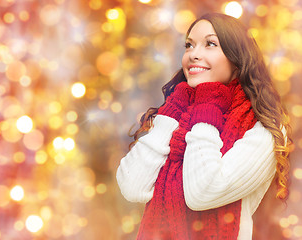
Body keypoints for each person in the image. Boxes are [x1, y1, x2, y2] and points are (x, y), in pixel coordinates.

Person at [116, 12, 291, 240]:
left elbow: (203, 192)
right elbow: (132, 187)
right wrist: (171, 113)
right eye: (189, 45)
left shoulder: (263, 127)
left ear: (237, 60)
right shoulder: (176, 112)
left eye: (210, 44)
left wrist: (206, 106)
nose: (193, 55)